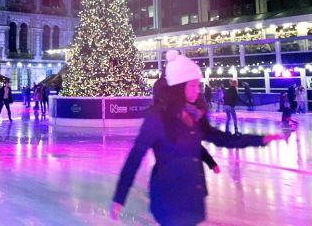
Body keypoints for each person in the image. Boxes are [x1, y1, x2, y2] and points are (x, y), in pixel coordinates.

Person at [110, 50, 286, 225]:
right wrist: (119, 197)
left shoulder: (195, 116)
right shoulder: (158, 118)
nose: (197, 90)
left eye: (197, 85)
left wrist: (260, 139)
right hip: (168, 197)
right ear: (179, 87)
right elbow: (135, 157)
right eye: (192, 85)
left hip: (193, 197)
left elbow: (222, 138)